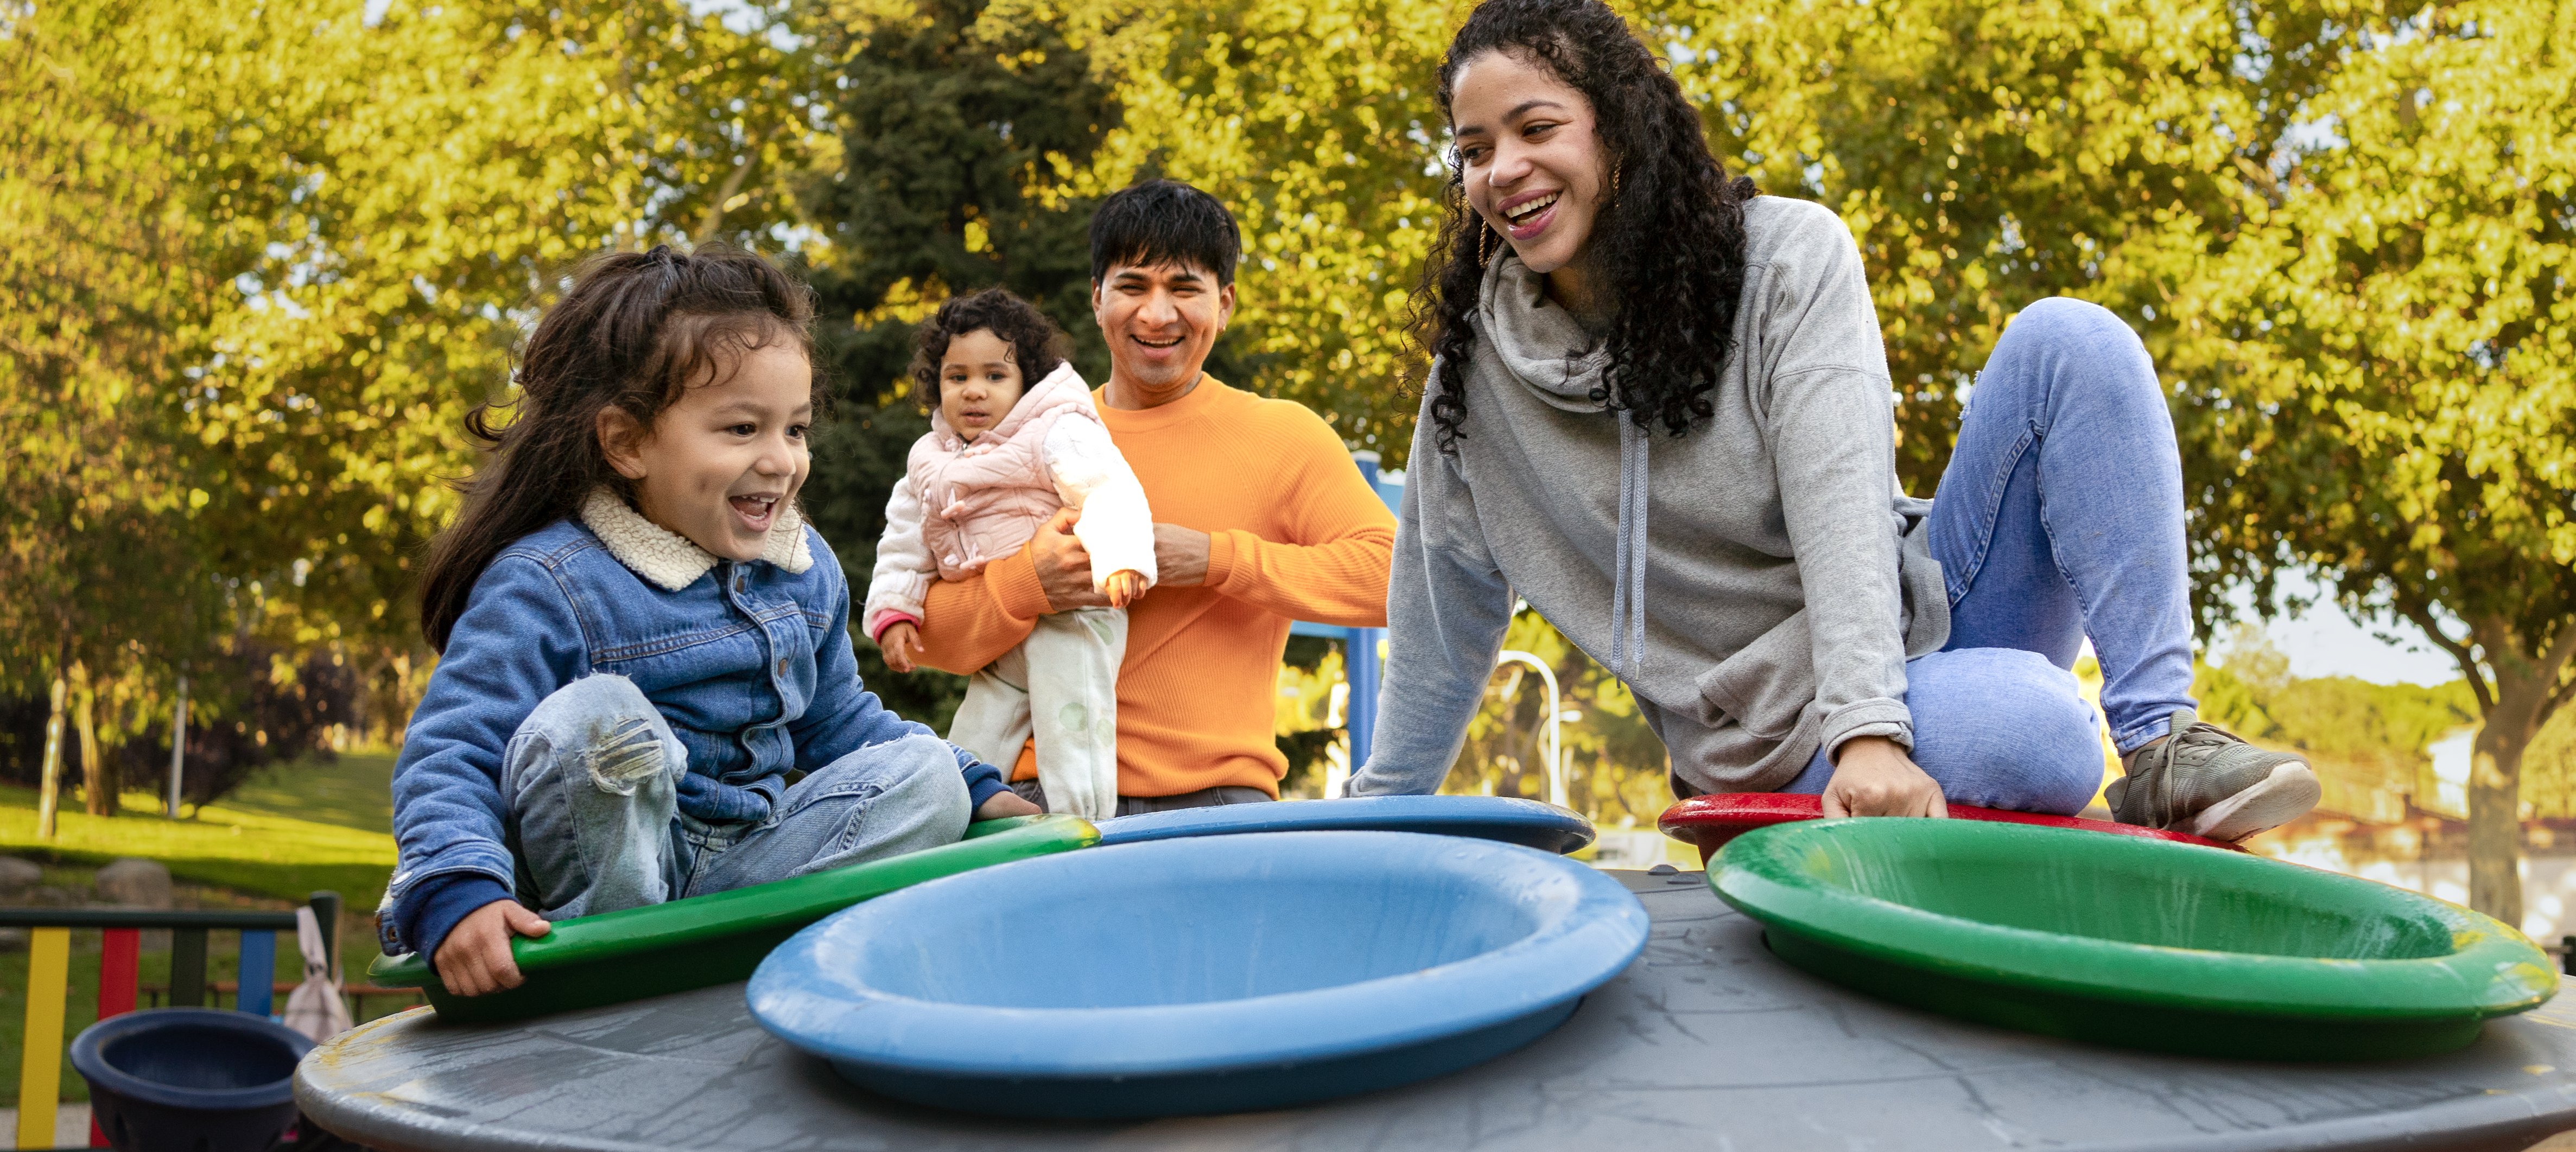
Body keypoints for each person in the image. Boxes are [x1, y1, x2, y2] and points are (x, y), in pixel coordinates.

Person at [1347, 0, 2319, 842]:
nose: (1502, 170)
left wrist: (1873, 728)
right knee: (2039, 731)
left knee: (2073, 340)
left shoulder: (1781, 259)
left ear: (1616, 130)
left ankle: (2161, 742)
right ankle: (1955, 723)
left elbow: (1842, 496)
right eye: (1475, 151)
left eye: (1535, 129)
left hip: (1898, 632)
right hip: (1767, 736)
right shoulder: (1475, 376)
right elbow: (1442, 603)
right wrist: (1380, 808)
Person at [382, 246, 1039, 997]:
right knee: (603, 718)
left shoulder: (800, 565)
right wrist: (456, 882)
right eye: (741, 429)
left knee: (928, 773)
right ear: (627, 442)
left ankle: (711, 942)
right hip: (596, 878)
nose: (781, 460)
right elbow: (453, 746)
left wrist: (974, 785)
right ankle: (608, 949)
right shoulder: (549, 579)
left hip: (745, 866)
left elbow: (838, 721)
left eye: (794, 429)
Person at [910, 180, 1398, 813]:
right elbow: (923, 635)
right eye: (1134, 286)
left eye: (1184, 289)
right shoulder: (1020, 441)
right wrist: (1028, 582)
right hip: (1037, 801)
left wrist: (1216, 560)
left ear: (1223, 304)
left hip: (1219, 804)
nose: (1157, 314)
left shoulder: (1285, 436)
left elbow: (1399, 581)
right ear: (1097, 299)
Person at [866, 289, 1156, 820]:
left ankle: (1086, 824)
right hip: (1005, 637)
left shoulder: (1055, 430)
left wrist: (1120, 556)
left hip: (1072, 620)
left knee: (1073, 722)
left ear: (1026, 381)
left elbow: (1109, 489)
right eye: (958, 377)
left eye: (995, 377)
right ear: (938, 384)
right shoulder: (927, 461)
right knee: (976, 732)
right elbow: (904, 542)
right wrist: (895, 610)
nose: (974, 391)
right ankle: (959, 814)